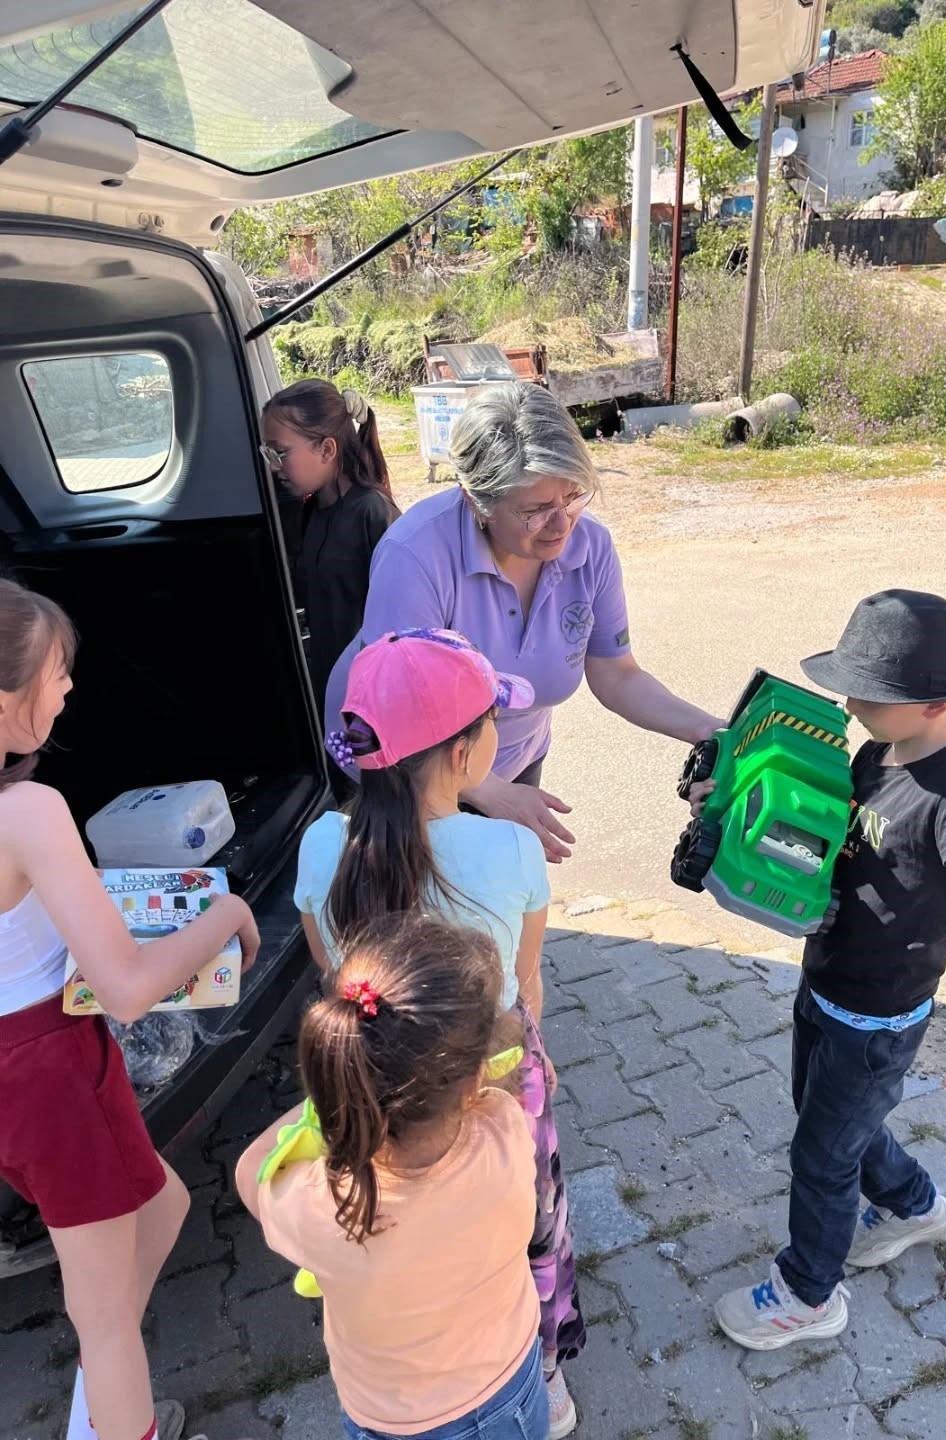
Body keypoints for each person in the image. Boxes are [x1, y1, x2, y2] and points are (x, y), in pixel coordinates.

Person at [708, 590, 946, 1350]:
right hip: (826, 981)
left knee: (821, 1155)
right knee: (831, 1122)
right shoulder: (876, 752)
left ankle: (809, 1294)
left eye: (869, 695)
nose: (850, 704)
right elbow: (824, 835)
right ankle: (914, 1206)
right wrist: (726, 805)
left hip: (879, 1020)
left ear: (935, 704)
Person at [295, 628, 582, 1436]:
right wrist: (533, 1054)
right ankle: (542, 1369)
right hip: (492, 1074)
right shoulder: (510, 849)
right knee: (529, 1223)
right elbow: (523, 984)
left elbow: (331, 969)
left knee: (399, 1227)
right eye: (492, 721)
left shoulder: (321, 845)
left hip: (372, 1077)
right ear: (462, 754)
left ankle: (410, 1354)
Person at [0, 579, 261, 1440]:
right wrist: (225, 913)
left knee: (164, 1206)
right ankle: (114, 1419)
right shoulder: (28, 812)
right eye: (56, 670)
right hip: (53, 1075)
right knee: (107, 1323)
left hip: (14, 1081)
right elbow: (127, 987)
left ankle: (98, 1412)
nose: (68, 686)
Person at [325, 381, 723, 862]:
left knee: (503, 885)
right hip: (404, 772)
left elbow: (617, 675)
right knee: (415, 898)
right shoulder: (414, 555)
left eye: (572, 496)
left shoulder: (590, 548)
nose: (563, 524)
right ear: (476, 502)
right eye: (535, 511)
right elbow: (396, 712)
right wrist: (492, 794)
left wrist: (709, 730)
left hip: (508, 756)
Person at [235, 915, 548, 1440]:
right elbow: (499, 1087)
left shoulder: (325, 1207)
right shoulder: (505, 1131)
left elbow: (252, 1169)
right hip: (512, 1388)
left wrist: (326, 1104)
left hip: (396, 1422)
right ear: (472, 1079)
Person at [262, 379, 399, 711]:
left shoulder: (372, 512)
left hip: (372, 695)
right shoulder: (309, 511)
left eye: (281, 453)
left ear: (326, 450)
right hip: (330, 685)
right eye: (268, 453)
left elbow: (404, 614)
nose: (274, 466)